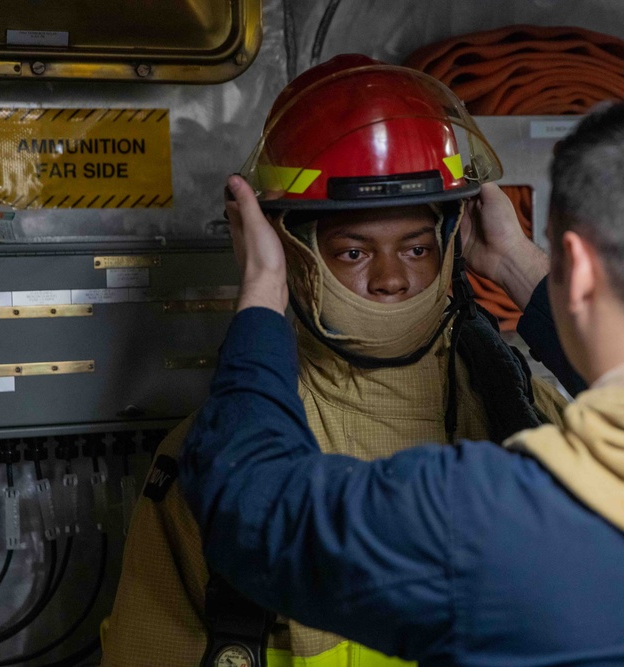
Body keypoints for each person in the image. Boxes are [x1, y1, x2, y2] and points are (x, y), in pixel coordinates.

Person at [179, 100, 624, 666]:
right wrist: (525, 270)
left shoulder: (480, 520)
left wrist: (264, 299)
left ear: (579, 268)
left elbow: (249, 505)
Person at [100, 55, 569, 667]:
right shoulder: (215, 461)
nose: (392, 279)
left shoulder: (529, 414)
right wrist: (265, 289)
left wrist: (512, 260)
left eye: (418, 246)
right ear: (298, 254)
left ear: (451, 243)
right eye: (352, 252)